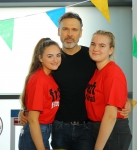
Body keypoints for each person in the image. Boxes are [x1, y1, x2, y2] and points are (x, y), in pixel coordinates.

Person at [19, 12, 131, 150]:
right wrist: (24, 109)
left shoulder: (93, 57)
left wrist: (126, 103)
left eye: (74, 29)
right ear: (59, 31)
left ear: (81, 33)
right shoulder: (53, 59)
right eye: (65, 29)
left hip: (87, 129)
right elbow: (37, 86)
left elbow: (111, 86)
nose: (69, 34)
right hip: (59, 127)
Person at [85, 30, 132, 150]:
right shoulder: (97, 71)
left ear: (111, 50)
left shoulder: (112, 72)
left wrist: (98, 148)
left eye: (102, 46)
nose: (95, 48)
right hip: (99, 127)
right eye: (93, 44)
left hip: (112, 129)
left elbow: (111, 115)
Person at [18, 38, 61, 150]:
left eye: (58, 55)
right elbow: (33, 119)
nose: (55, 60)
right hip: (36, 131)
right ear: (40, 58)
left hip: (45, 129)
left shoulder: (50, 76)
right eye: (50, 56)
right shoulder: (38, 79)